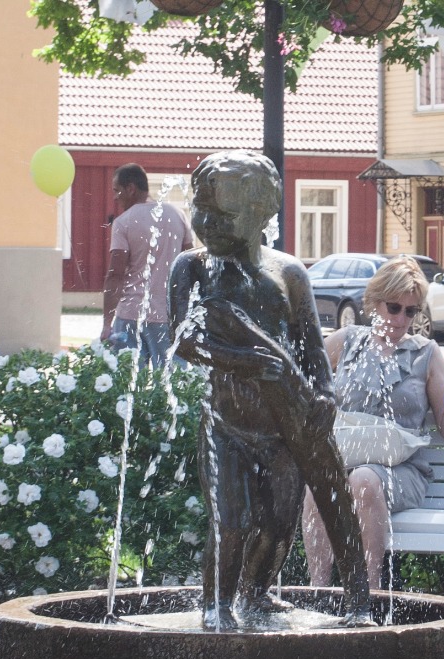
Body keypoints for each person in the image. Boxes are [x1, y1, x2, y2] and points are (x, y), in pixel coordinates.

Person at [170, 150, 370, 628]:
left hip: (284, 426)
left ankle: (255, 595)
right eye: (201, 210)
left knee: (279, 523)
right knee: (232, 523)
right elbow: (185, 340)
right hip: (227, 423)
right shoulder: (193, 267)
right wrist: (246, 362)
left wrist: (325, 393)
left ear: (261, 214)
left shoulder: (289, 273)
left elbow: (311, 346)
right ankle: (216, 607)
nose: (206, 223)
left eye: (222, 214)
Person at [300, 256, 444, 589]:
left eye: (411, 311)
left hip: (402, 470)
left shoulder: (426, 353)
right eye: (394, 307)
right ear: (373, 303)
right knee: (318, 481)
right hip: (346, 460)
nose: (401, 319)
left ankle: (370, 593)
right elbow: (302, 382)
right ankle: (317, 591)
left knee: (364, 479)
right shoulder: (347, 341)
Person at [102, 163, 194, 367]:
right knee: (175, 385)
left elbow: (115, 275)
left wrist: (107, 324)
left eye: (117, 191)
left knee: (128, 387)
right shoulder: (178, 215)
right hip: (168, 316)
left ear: (131, 188)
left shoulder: (123, 222)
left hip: (130, 316)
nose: (115, 197)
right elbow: (189, 265)